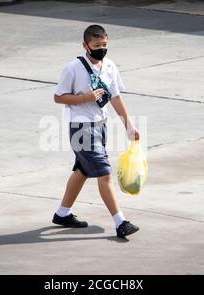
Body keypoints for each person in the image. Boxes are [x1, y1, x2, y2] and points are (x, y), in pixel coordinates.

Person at [53, 24, 140, 239]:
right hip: (81, 127)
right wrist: (85, 98)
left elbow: (116, 97)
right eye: (96, 45)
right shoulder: (74, 67)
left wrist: (128, 124)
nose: (101, 49)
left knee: (83, 170)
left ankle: (62, 213)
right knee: (104, 173)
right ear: (85, 46)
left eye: (104, 45)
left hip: (100, 125)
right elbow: (58, 96)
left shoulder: (109, 66)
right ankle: (120, 222)